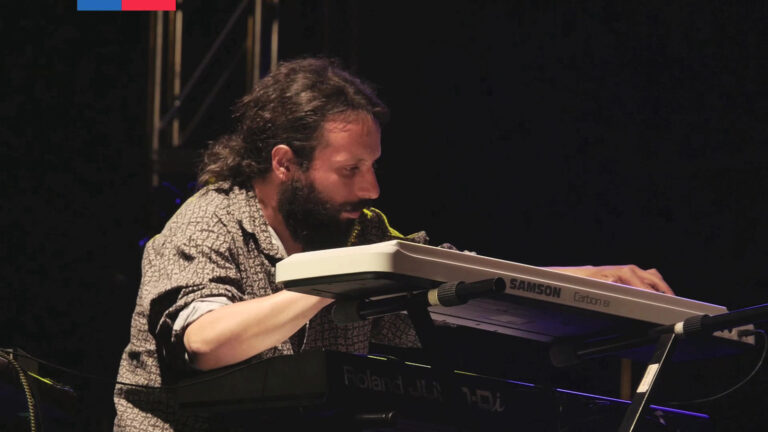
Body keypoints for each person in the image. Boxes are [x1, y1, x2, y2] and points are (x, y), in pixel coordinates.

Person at [113, 58, 673, 431]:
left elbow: (454, 277)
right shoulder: (208, 221)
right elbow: (204, 342)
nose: (371, 188)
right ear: (285, 163)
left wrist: (584, 280)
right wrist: (334, 282)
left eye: (373, 166)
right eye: (349, 169)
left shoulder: (360, 231)